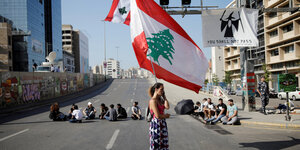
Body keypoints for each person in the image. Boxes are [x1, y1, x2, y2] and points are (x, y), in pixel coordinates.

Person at [149, 82, 170, 150]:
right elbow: (157, 116)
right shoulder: (153, 101)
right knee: (156, 144)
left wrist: (165, 97)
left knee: (164, 143)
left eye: (163, 89)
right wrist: (166, 116)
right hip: (156, 124)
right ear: (156, 89)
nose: (163, 91)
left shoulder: (160, 99)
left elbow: (167, 107)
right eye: (161, 89)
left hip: (162, 123)